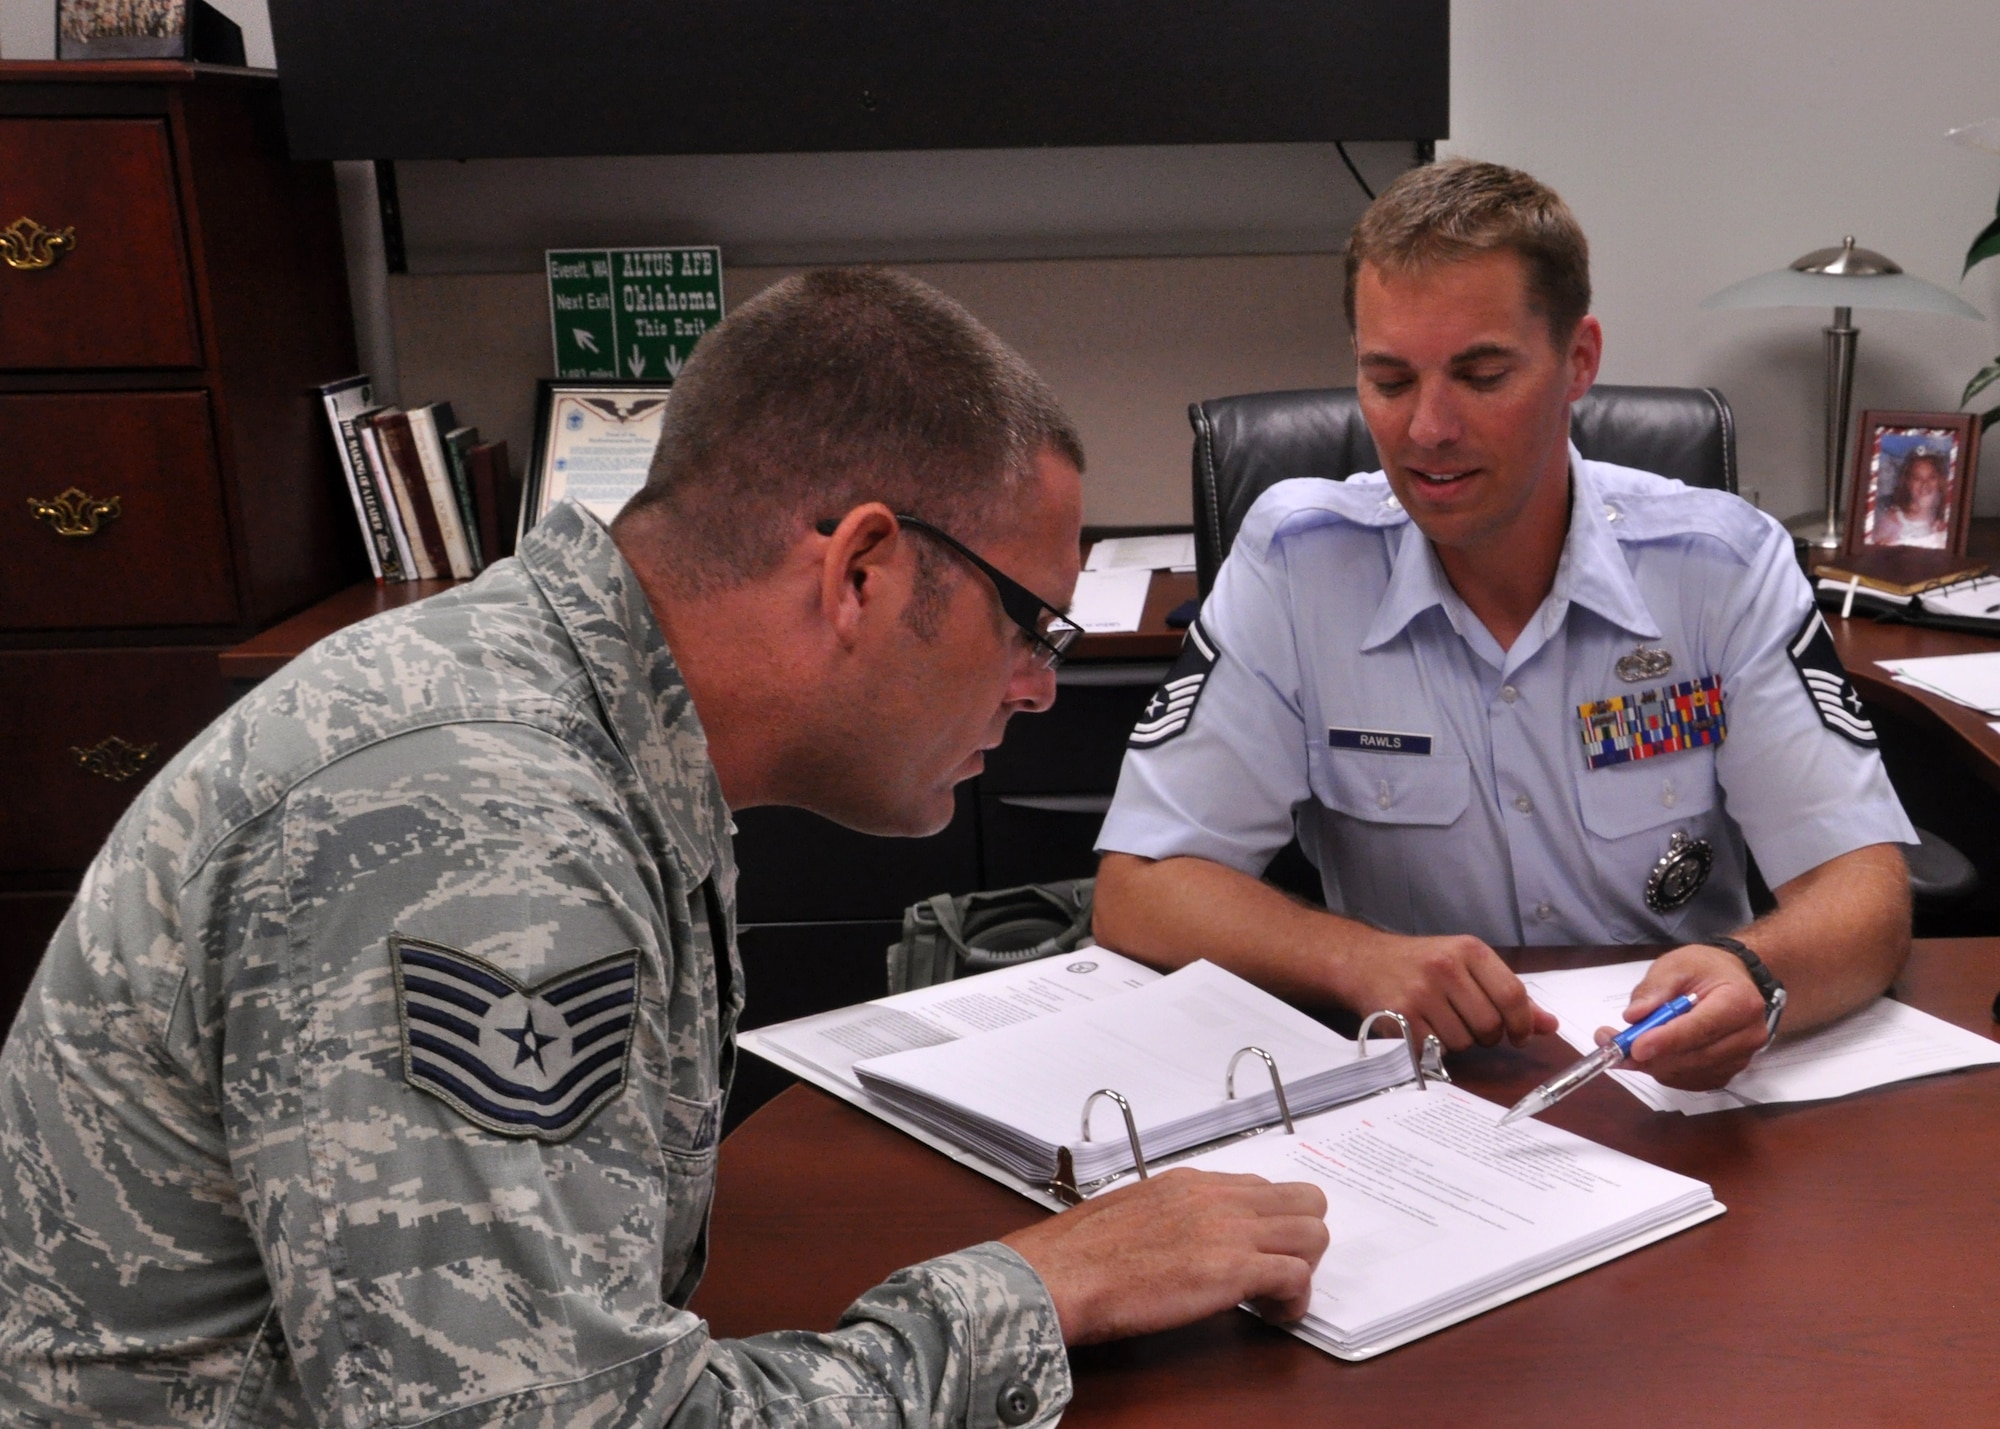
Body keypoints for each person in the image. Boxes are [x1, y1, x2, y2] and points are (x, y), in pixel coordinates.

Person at [0, 269, 1331, 1427]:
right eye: (1031, 622)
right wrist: (1037, 1293)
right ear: (861, 567)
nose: (1040, 685)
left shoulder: (575, 715)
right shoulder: (484, 830)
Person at [1094, 160, 1915, 1093]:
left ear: (1579, 362)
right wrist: (1355, 957)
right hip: (1419, 1100)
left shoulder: (1719, 567)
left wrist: (1755, 972)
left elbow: (1864, 894)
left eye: (1482, 375)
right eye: (1389, 380)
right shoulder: (1298, 563)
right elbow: (1141, 889)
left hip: (1674, 1087)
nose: (1428, 428)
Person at [1867, 448, 1952, 548]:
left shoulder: (1946, 519)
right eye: (1917, 478)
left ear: (1941, 480)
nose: (1925, 484)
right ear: (1907, 482)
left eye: (1932, 478)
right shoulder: (1893, 518)